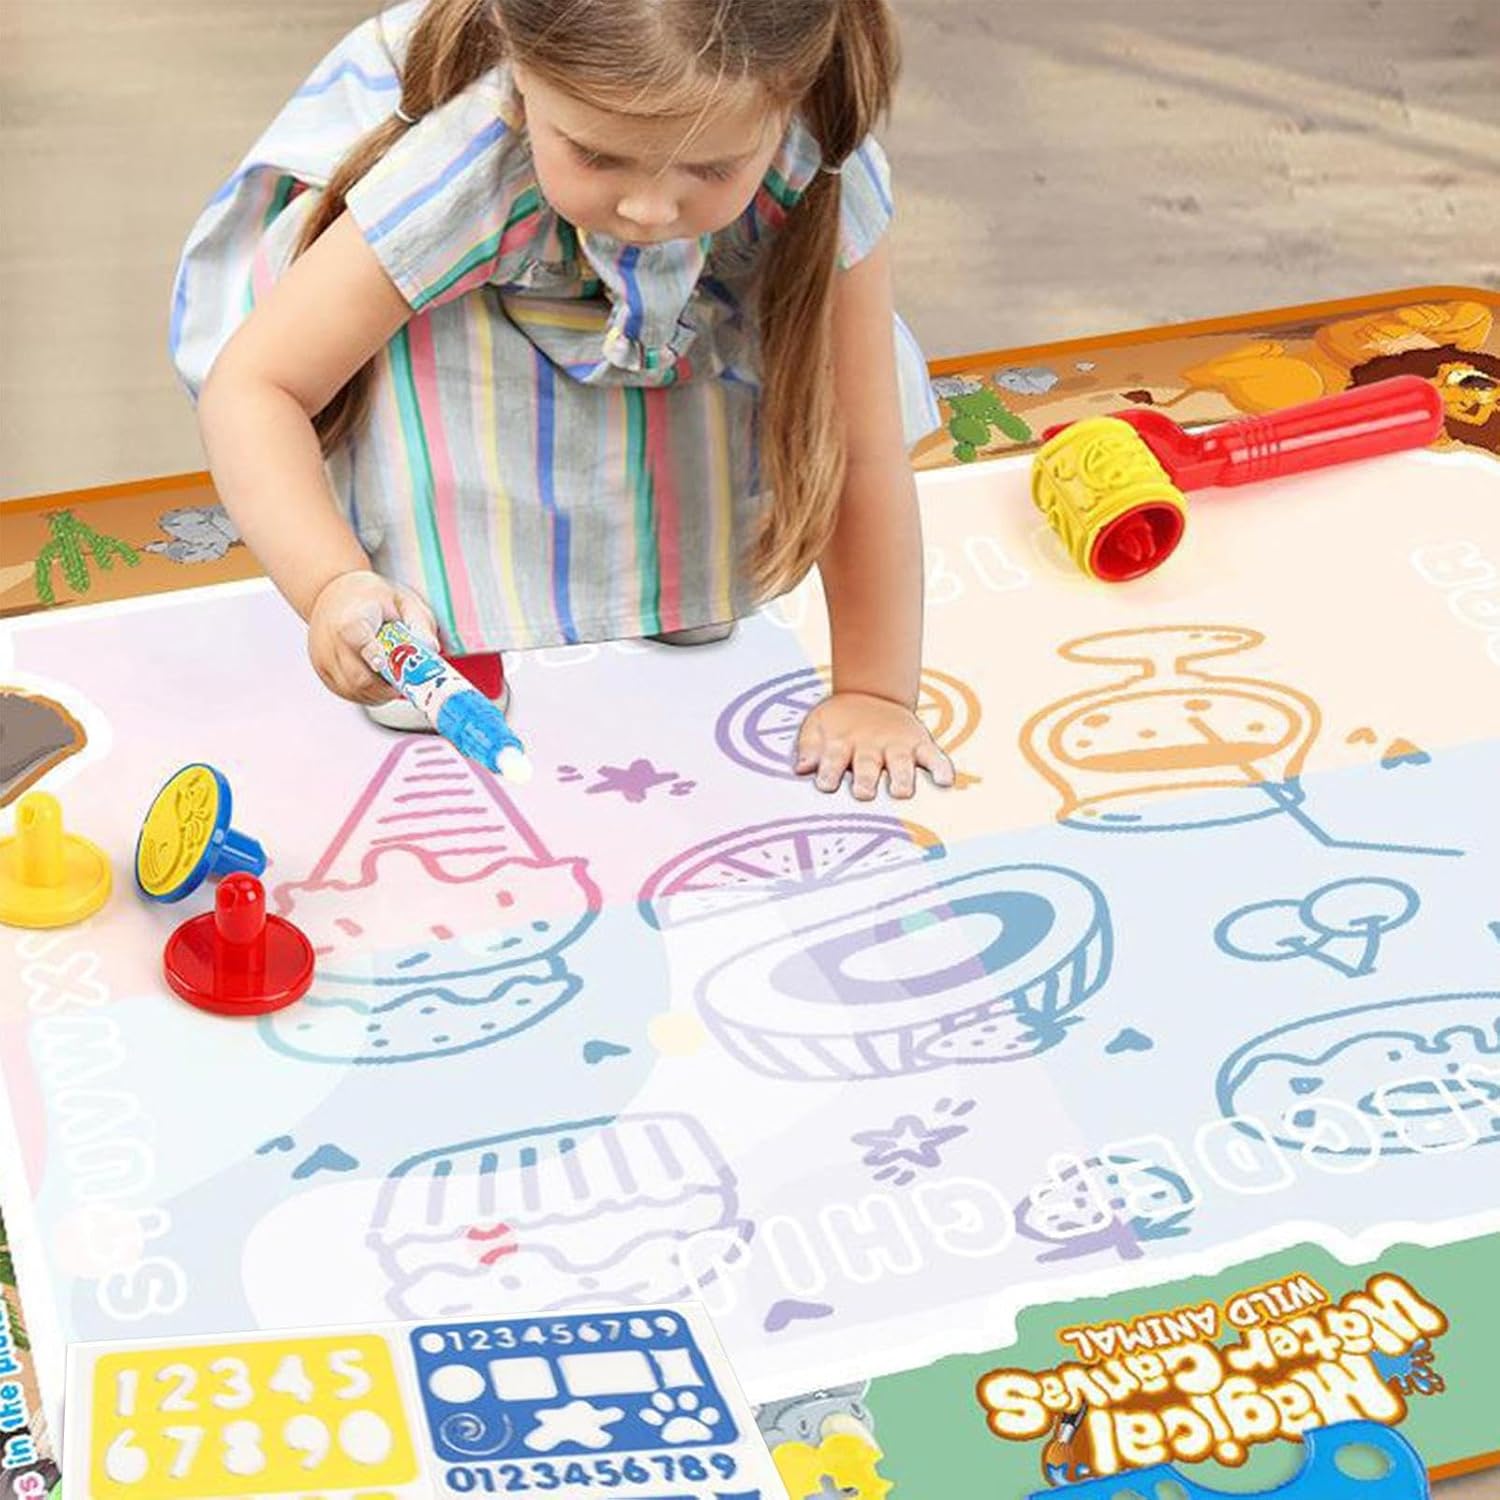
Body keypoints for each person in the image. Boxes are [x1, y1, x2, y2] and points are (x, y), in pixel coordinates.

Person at [172, 0, 955, 800]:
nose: (648, 210)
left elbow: (858, 443)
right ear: (524, 79)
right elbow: (258, 384)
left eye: (712, 168)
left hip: (674, 308)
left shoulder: (816, 156)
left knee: (739, 348)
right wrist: (331, 582)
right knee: (438, 372)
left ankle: (680, 570)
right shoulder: (472, 159)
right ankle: (440, 611)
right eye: (597, 155)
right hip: (463, 300)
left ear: (791, 98)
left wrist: (875, 692)